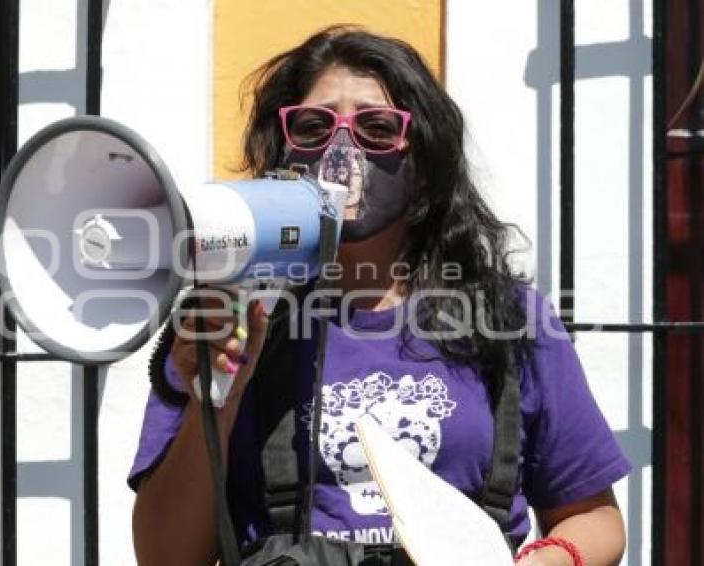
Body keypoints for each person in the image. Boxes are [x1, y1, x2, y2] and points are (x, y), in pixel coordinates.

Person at [130, 25, 631, 566]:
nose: (341, 150)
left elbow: (594, 519)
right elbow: (165, 556)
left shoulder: (510, 320)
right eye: (314, 126)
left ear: (425, 155)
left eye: (376, 127)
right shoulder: (234, 316)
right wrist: (217, 401)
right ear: (286, 147)